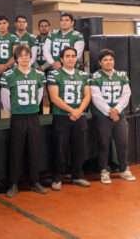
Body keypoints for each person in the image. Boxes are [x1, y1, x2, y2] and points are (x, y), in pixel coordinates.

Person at [1, 45, 48, 197]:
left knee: (34, 149)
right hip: (18, 117)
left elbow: (40, 95)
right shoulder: (9, 75)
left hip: (33, 116)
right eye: (21, 56)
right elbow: (5, 98)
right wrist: (14, 112)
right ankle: (13, 183)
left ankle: (35, 181)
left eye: (27, 55)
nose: (24, 58)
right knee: (16, 150)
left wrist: (32, 108)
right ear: (16, 59)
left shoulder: (38, 74)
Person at [47, 47, 91, 190]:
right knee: (60, 148)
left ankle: (77, 175)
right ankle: (57, 177)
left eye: (73, 56)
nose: (71, 58)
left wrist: (79, 111)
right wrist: (72, 110)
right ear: (61, 59)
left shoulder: (83, 75)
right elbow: (54, 97)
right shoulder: (54, 74)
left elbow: (87, 96)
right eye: (67, 56)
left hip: (80, 116)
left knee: (80, 147)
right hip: (62, 116)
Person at [90, 49, 136, 184]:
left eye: (110, 59)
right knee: (103, 143)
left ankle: (124, 168)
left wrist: (116, 109)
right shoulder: (95, 77)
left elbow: (126, 94)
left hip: (119, 115)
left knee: (123, 143)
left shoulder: (122, 75)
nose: (108, 62)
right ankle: (104, 170)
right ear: (100, 62)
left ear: (114, 61)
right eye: (105, 60)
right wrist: (109, 111)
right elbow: (96, 97)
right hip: (103, 115)